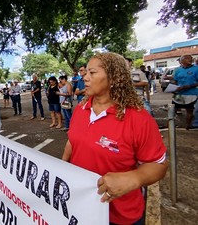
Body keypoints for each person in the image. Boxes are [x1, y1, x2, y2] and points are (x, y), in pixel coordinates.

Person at [62, 52, 168, 225]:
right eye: (85, 72)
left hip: (120, 217)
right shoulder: (81, 109)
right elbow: (72, 142)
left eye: (92, 72)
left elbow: (159, 165)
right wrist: (61, 168)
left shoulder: (138, 118)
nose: (85, 78)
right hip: (81, 209)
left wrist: (134, 179)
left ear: (113, 77)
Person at [169, 55, 198, 129]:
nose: (190, 59)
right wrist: (174, 88)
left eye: (191, 58)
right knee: (174, 108)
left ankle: (188, 126)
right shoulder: (178, 70)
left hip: (191, 93)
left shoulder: (196, 69)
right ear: (181, 61)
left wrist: (188, 86)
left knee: (189, 110)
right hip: (179, 94)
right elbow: (175, 80)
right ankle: (172, 125)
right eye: (187, 58)